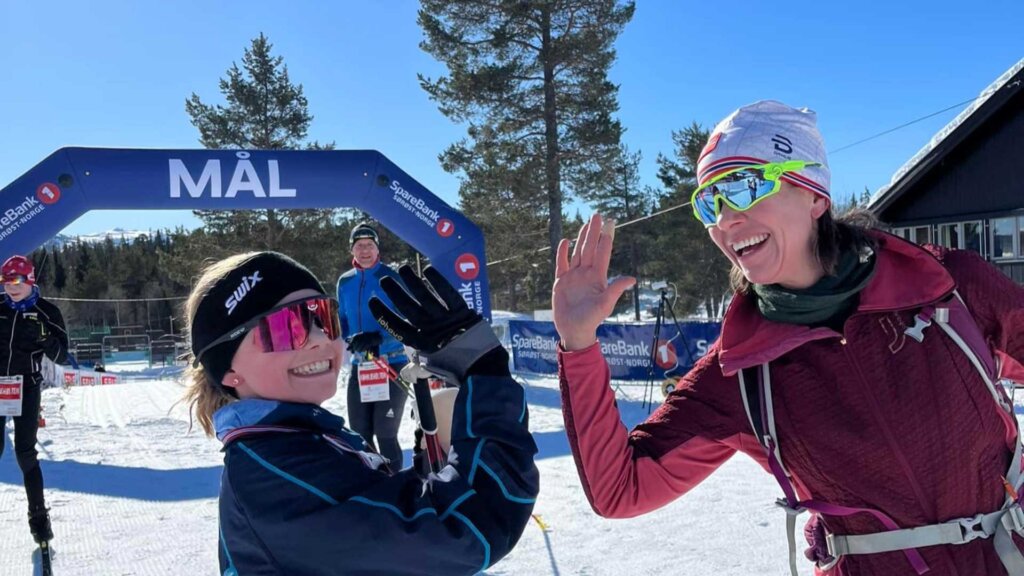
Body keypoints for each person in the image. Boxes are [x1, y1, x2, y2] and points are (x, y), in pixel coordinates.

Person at [552, 100, 1024, 575]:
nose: (724, 219)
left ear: (815, 195)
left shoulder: (947, 287)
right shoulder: (740, 368)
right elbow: (621, 488)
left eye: (744, 187)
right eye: (709, 202)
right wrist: (578, 344)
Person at [183, 251, 538, 575]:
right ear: (227, 370)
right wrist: (484, 370)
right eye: (285, 327)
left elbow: (381, 521)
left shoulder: (297, 439)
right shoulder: (273, 479)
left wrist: (433, 466)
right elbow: (463, 531)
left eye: (322, 317)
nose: (319, 338)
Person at [0, 255, 69, 546]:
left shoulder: (47, 311)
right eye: (5, 281)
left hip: (26, 387)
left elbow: (62, 356)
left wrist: (44, 338)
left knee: (25, 453)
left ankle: (39, 519)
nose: (11, 288)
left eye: (17, 281)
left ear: (30, 280)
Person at [337, 222, 410, 469]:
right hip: (362, 365)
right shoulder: (345, 282)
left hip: (392, 363)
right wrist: (351, 339)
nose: (365, 250)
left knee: (385, 433)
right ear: (352, 250)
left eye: (369, 245)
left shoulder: (391, 277)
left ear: (377, 250)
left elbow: (407, 321)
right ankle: (372, 488)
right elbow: (344, 324)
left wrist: (379, 337)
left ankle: (398, 493)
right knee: (359, 434)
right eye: (359, 246)